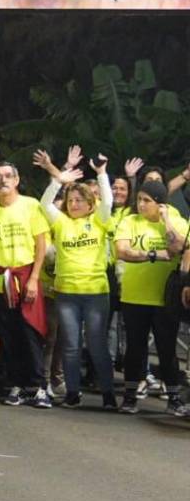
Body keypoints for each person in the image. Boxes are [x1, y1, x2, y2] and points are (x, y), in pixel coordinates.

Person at [34, 150, 116, 409]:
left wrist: (102, 174)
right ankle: (72, 392)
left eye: (81, 200)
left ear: (90, 203)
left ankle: (108, 393)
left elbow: (108, 204)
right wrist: (60, 179)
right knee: (69, 345)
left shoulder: (99, 220)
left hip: (95, 293)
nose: (75, 204)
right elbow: (44, 204)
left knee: (96, 345)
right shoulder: (62, 223)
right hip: (66, 293)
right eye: (71, 200)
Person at [0, 161, 52, 409]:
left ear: (17, 179)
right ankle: (17, 384)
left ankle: (39, 385)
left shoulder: (30, 206)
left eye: (8, 175)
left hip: (25, 276)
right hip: (1, 279)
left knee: (31, 331)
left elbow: (40, 244)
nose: (3, 180)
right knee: (9, 334)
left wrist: (34, 278)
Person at [113, 179, 188, 414]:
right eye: (139, 200)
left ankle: (173, 397)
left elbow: (177, 248)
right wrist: (155, 254)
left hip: (165, 298)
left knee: (167, 349)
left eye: (147, 201)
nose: (142, 205)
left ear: (160, 203)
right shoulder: (129, 221)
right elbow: (123, 251)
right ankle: (130, 395)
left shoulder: (176, 221)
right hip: (135, 295)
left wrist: (166, 220)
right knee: (135, 349)